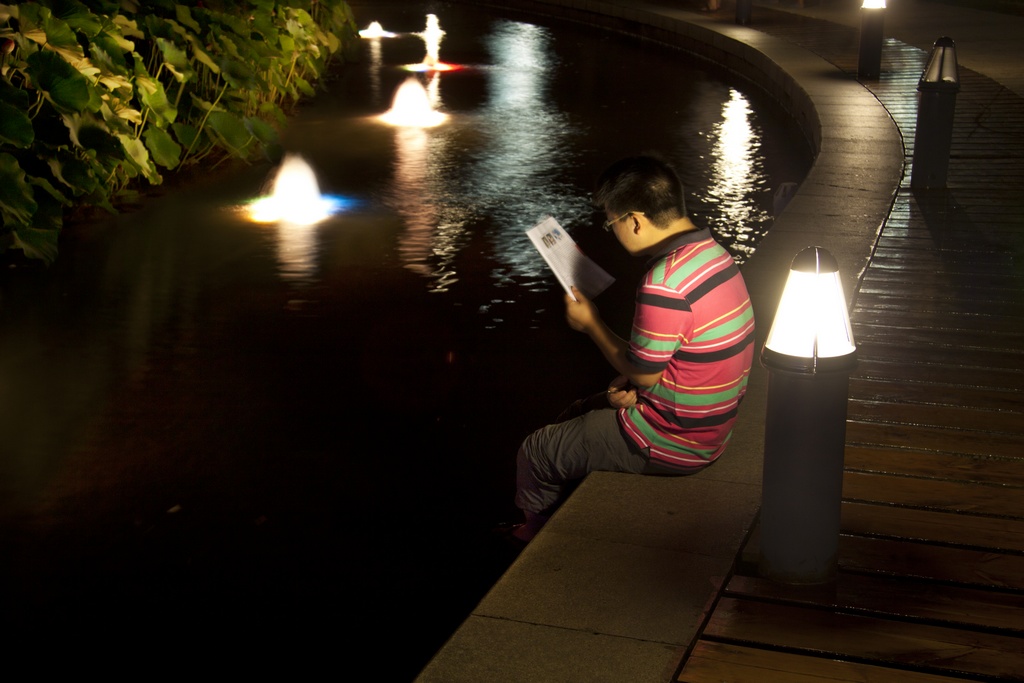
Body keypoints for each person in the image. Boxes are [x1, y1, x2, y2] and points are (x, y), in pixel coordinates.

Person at [510, 154, 756, 544]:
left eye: (612, 222)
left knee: (536, 450)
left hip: (677, 442)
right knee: (580, 410)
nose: (612, 230)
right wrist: (638, 381)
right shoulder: (714, 255)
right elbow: (663, 360)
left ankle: (530, 535)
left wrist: (591, 323)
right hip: (709, 424)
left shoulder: (664, 282)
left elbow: (644, 373)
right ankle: (568, 488)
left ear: (636, 220)